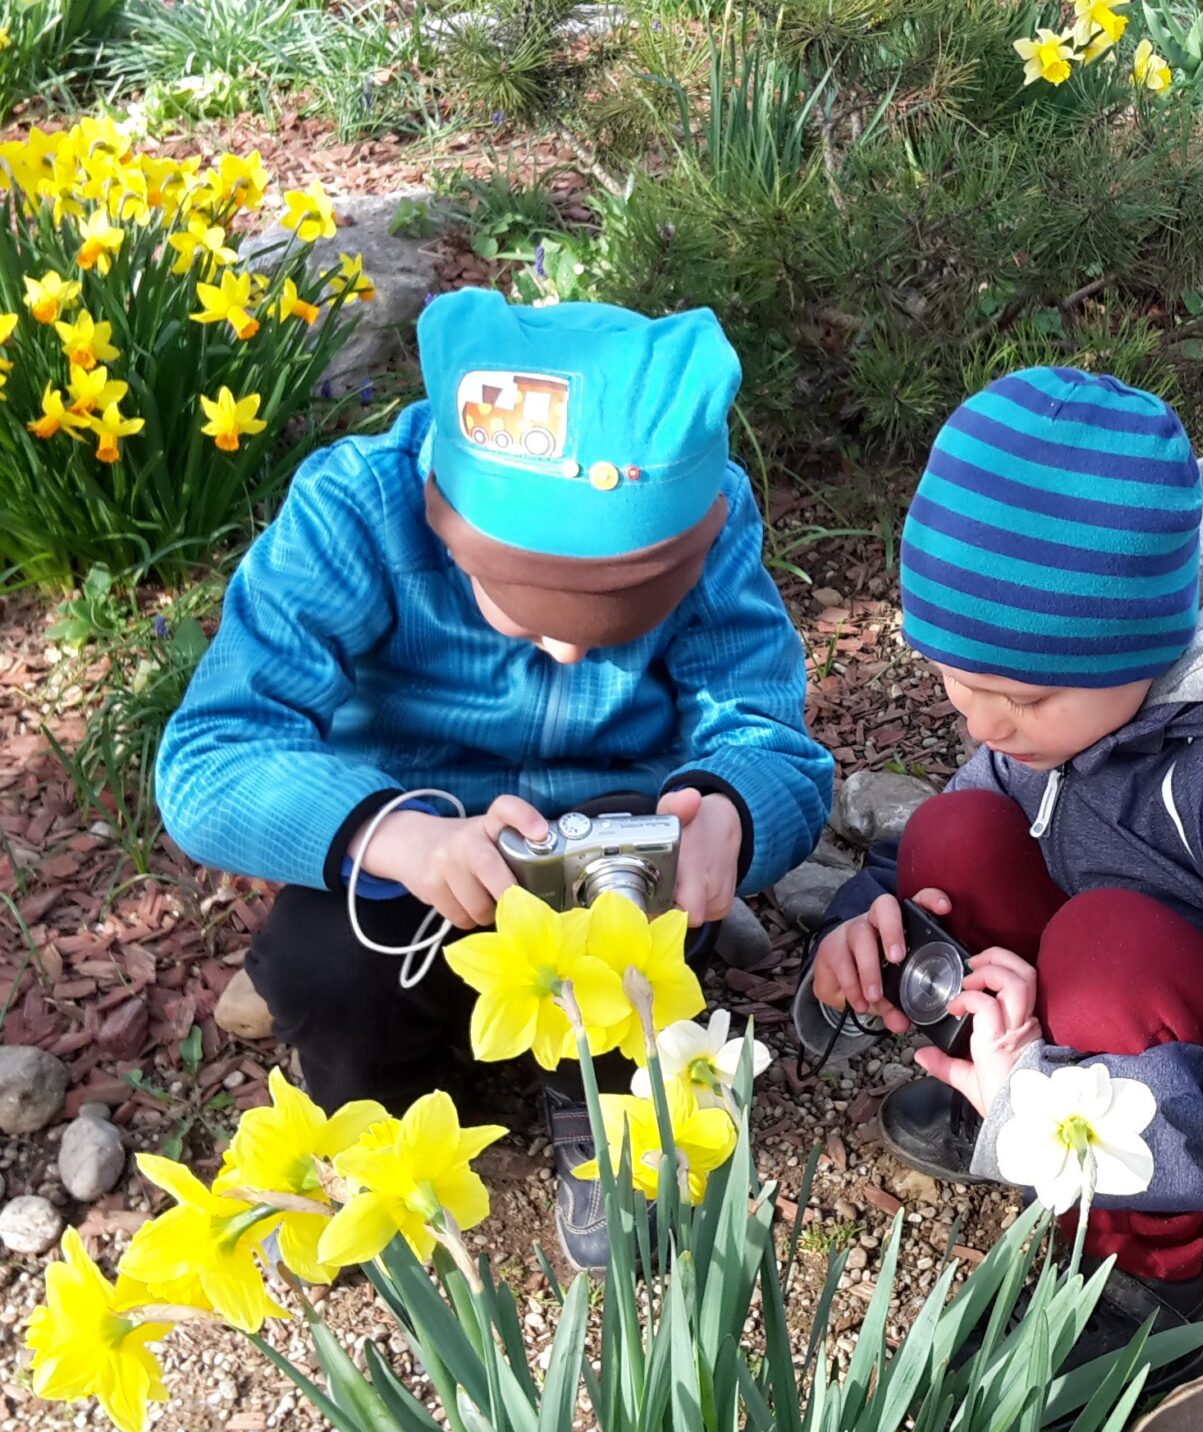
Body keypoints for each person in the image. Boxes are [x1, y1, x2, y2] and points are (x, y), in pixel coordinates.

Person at [793, 366, 1203, 1363]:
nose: (983, 720)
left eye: (1018, 700)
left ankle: (1142, 1268)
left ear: (1143, 654)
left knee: (1103, 947)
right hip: (1139, 997)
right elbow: (986, 795)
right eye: (954, 680)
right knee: (953, 834)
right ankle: (1015, 1102)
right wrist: (876, 911)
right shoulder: (1073, 686)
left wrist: (1046, 1100)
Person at [157, 288, 833, 1270]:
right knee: (328, 969)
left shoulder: (713, 518)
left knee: (626, 932)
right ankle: (376, 1125)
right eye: (521, 609)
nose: (566, 648)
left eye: (620, 620)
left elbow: (764, 727)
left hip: (613, 823)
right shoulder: (356, 511)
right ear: (447, 518)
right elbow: (212, 753)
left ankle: (613, 1109)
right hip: (413, 841)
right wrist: (392, 834)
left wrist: (729, 806)